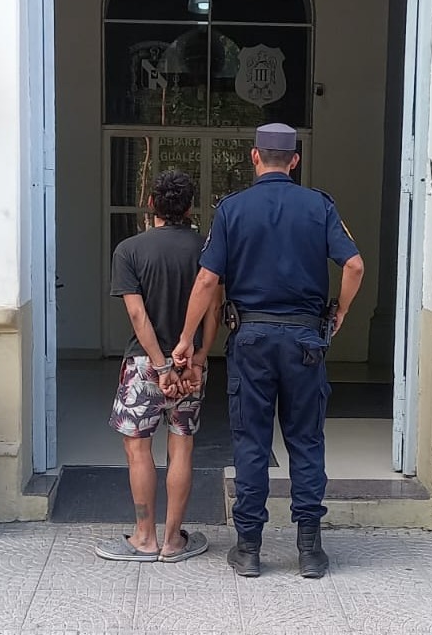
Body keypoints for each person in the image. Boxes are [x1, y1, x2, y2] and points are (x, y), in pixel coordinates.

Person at [174, 123, 365, 578]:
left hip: (252, 341)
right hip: (305, 341)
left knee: (251, 442)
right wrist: (339, 311)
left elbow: (207, 279)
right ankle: (310, 551)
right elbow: (354, 265)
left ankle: (249, 549)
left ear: (254, 157)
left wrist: (186, 339)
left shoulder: (232, 209)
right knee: (306, 441)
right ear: (294, 161)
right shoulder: (319, 206)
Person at [94, 170, 221, 563]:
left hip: (144, 366)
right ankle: (173, 541)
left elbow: (138, 315)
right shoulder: (207, 248)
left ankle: (144, 538)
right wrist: (199, 357)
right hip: (191, 366)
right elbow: (214, 309)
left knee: (138, 449)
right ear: (189, 207)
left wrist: (161, 366)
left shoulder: (129, 250)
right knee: (181, 445)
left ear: (151, 204)